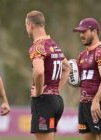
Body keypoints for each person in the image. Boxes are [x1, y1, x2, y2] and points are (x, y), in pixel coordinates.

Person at [25, 10, 71, 140]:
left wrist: (39, 92)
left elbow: (39, 72)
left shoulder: (37, 47)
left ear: (30, 25)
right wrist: (56, 90)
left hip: (44, 102)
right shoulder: (53, 44)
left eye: (26, 26)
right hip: (56, 101)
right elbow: (67, 68)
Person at [73, 18, 101, 140]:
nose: (81, 35)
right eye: (80, 32)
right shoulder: (82, 55)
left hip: (99, 104)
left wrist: (96, 101)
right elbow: (78, 80)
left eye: (84, 32)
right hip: (84, 105)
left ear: (94, 31)